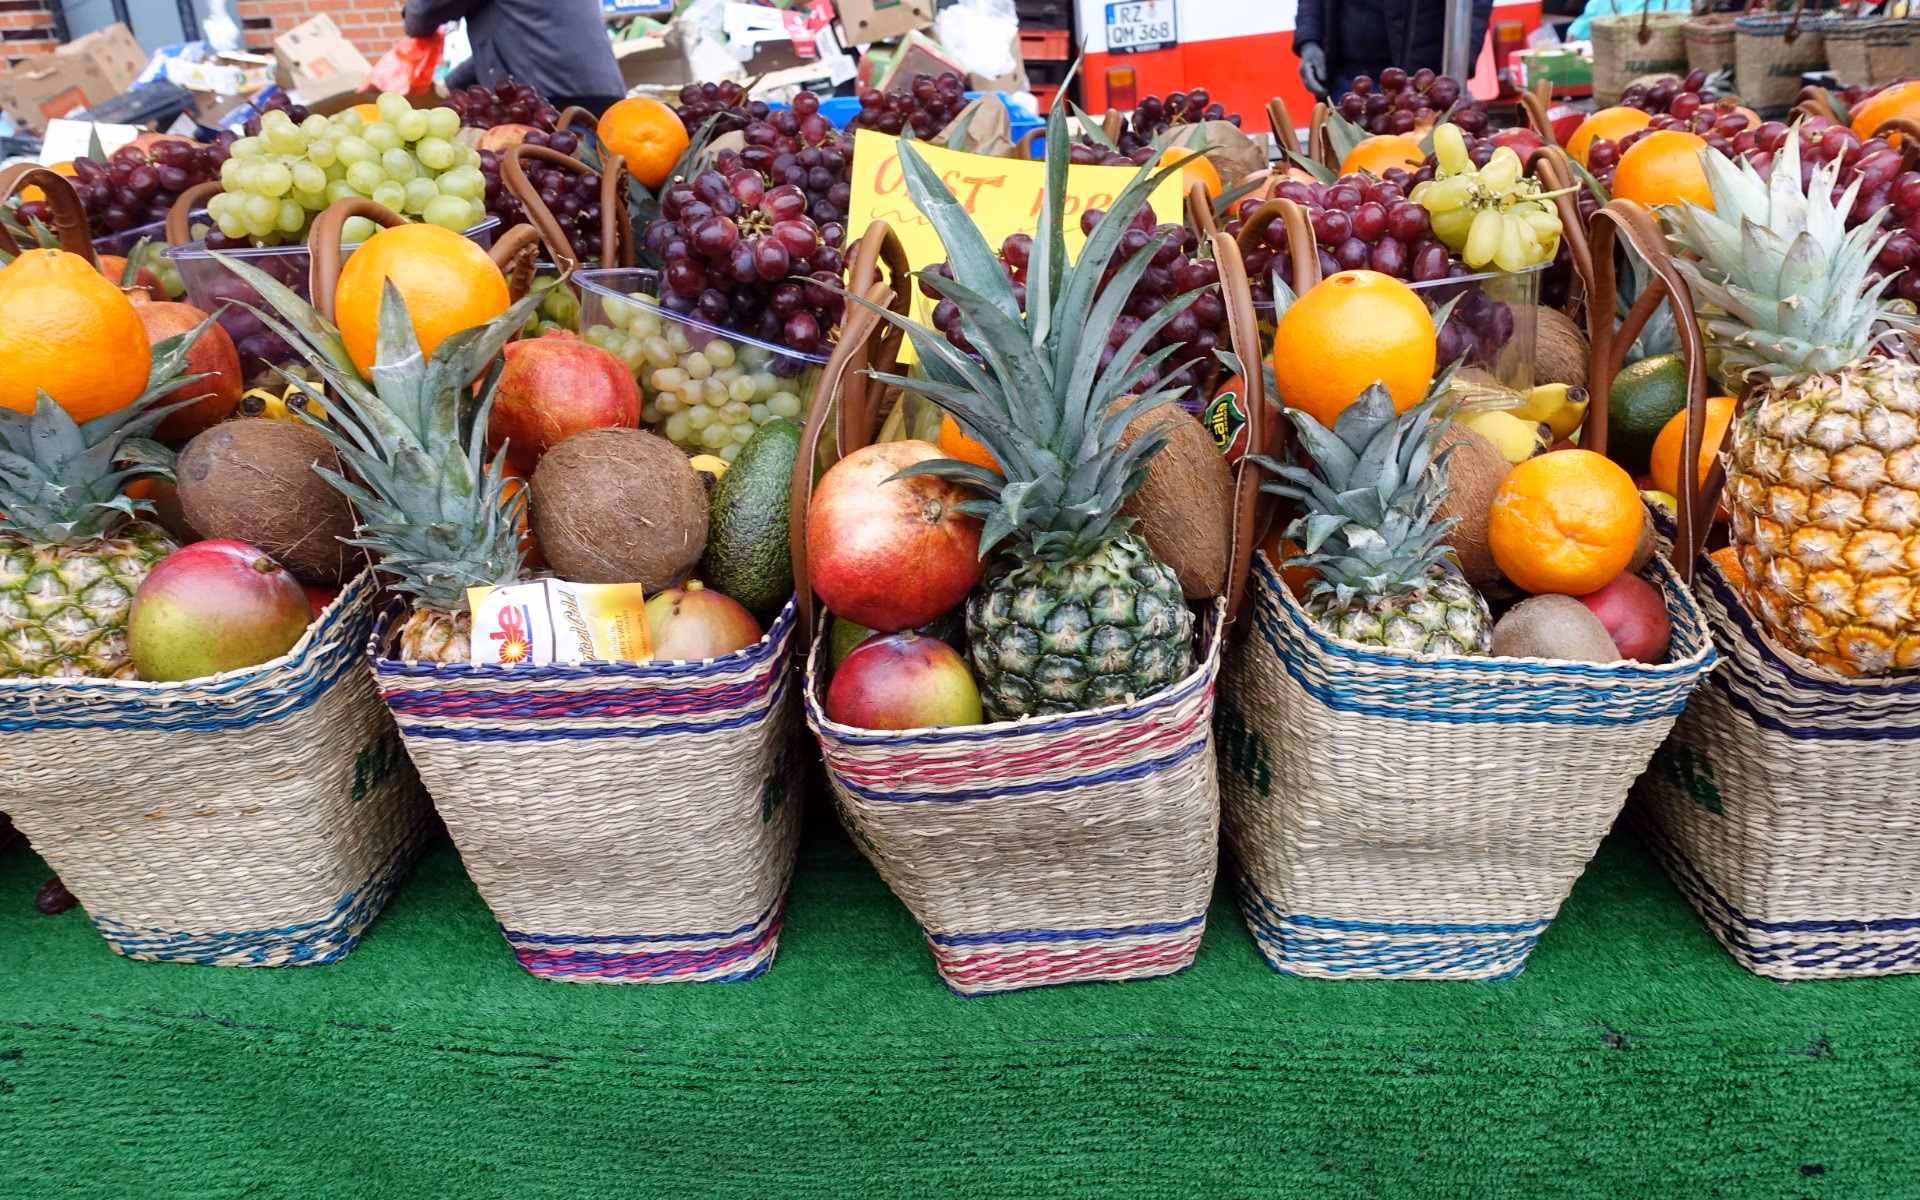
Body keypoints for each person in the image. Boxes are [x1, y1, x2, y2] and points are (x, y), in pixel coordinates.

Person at [402, 0, 626, 117]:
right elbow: (515, 42)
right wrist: (452, 84)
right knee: (603, 195)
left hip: (546, 98)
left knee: (549, 195)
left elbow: (421, 15)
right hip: (604, 90)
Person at [1295, 0, 1497, 99]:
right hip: (1347, 81)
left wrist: (1457, 69)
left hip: (1421, 84)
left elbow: (1474, 6)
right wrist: (1309, 43)